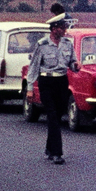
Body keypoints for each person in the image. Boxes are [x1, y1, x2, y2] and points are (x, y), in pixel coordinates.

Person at [29, 14, 77, 164]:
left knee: (58, 115)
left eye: (64, 28)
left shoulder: (67, 44)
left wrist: (76, 66)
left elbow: (72, 62)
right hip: (47, 81)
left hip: (62, 81)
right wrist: (30, 88)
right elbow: (34, 66)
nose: (64, 30)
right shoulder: (42, 44)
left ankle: (49, 149)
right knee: (52, 115)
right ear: (54, 29)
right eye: (62, 28)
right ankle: (57, 153)